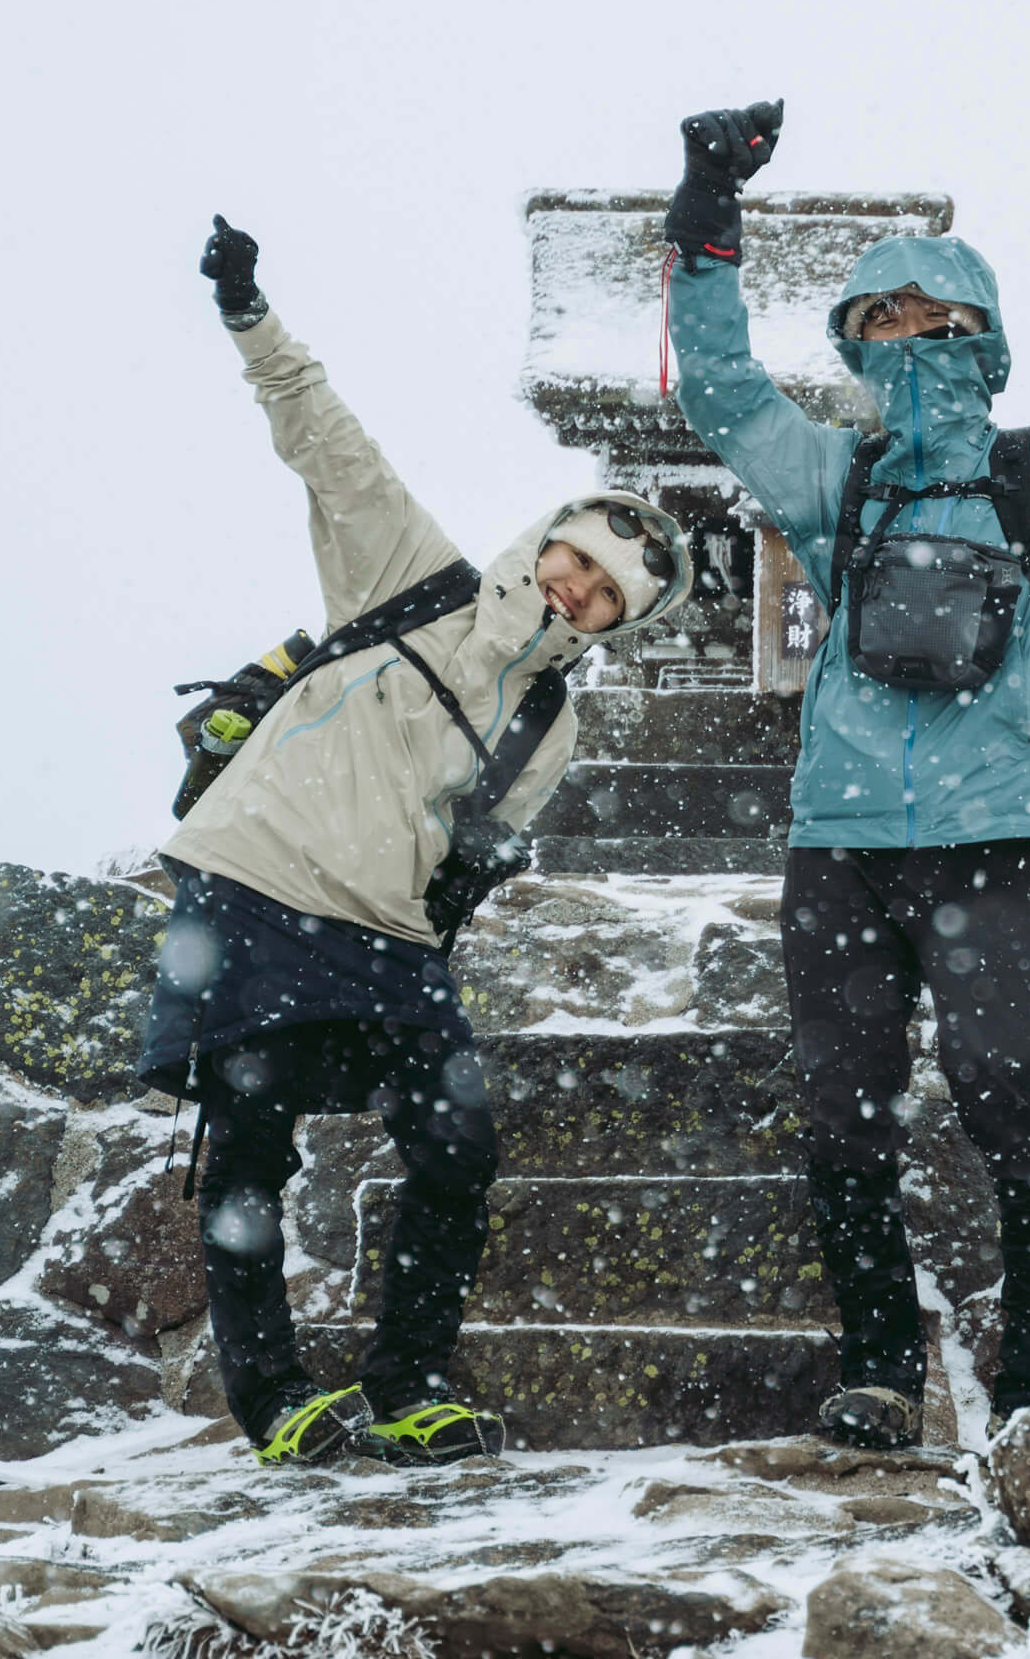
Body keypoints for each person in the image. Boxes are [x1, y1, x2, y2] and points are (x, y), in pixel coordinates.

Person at [661, 70, 1030, 1448]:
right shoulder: (834, 479)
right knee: (843, 1124)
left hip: (1002, 837)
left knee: (1022, 1119)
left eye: (932, 312)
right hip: (841, 841)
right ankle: (879, 1370)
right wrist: (709, 211)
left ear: (981, 332)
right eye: (879, 317)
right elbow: (723, 389)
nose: (907, 332)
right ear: (858, 341)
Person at [137, 216, 694, 1468]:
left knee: (459, 1141)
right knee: (251, 1142)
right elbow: (323, 435)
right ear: (546, 537)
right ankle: (275, 1401)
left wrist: (470, 874)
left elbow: (470, 844)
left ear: (615, 622)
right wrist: (247, 309)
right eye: (578, 560)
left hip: (382, 928)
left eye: (608, 596)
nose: (578, 592)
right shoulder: (415, 573)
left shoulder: (547, 720)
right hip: (259, 877)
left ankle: (410, 1379)